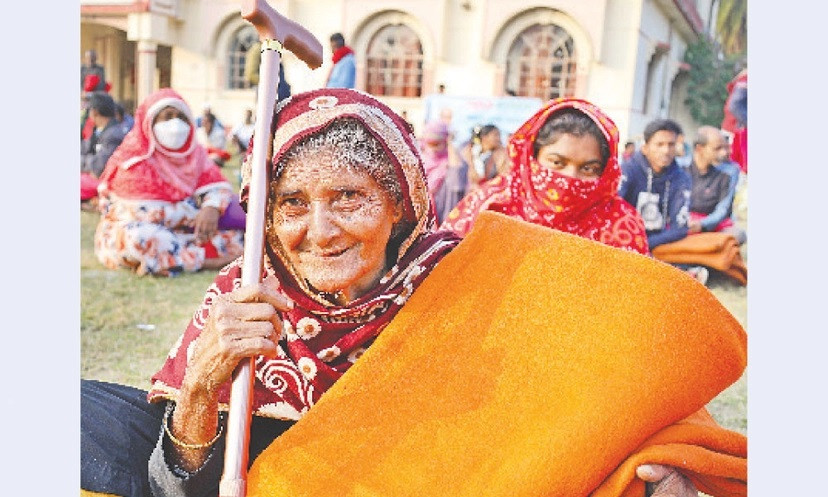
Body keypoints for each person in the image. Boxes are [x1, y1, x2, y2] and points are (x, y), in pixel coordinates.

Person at [81, 89, 732, 497]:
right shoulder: (244, 294)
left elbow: (626, 369)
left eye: (348, 197)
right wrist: (200, 388)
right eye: (292, 203)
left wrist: (664, 467)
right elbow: (173, 488)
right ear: (267, 214)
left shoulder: (475, 271)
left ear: (401, 203)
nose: (320, 230)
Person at [442, 98, 650, 255]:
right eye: (557, 163)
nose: (570, 179)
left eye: (588, 168)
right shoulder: (491, 205)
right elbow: (445, 276)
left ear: (604, 171)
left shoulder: (619, 223)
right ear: (532, 157)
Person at [93, 88, 245, 277]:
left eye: (181, 117)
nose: (176, 124)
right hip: (134, 229)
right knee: (142, 238)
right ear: (150, 122)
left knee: (237, 238)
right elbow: (139, 213)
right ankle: (206, 261)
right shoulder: (133, 158)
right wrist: (192, 212)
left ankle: (171, 261)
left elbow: (219, 187)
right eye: (167, 117)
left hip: (184, 232)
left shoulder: (195, 155)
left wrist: (212, 207)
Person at [618, 119, 709, 283]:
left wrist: (645, 243)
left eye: (671, 144)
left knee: (710, 243)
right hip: (624, 237)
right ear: (645, 147)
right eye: (659, 144)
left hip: (659, 240)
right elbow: (614, 208)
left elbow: (679, 228)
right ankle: (677, 271)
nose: (666, 150)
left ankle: (659, 266)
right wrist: (631, 241)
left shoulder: (681, 178)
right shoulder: (628, 169)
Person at [687, 126, 746, 244]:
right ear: (699, 149)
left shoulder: (730, 171)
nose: (724, 152)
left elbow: (723, 209)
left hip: (714, 226)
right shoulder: (680, 167)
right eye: (717, 148)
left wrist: (702, 224)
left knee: (737, 235)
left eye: (725, 147)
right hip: (684, 223)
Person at [419, 120, 467, 224]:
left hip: (446, 216)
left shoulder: (451, 162)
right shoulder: (419, 161)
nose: (433, 148)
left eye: (437, 143)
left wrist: (450, 144)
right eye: (430, 143)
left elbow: (457, 184)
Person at [81, 91, 128, 178]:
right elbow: (85, 146)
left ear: (94, 112)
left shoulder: (113, 135)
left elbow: (99, 166)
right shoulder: (101, 130)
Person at [459, 124, 510, 192]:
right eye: (495, 135)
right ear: (484, 137)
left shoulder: (499, 153)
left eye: (499, 135)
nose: (499, 139)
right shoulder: (471, 151)